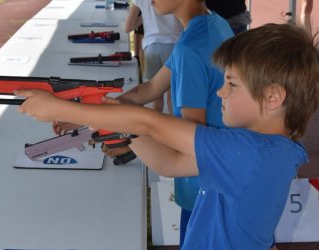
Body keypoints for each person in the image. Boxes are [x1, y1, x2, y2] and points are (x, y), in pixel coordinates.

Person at [16, 23, 319, 249]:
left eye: (231, 84)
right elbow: (171, 163)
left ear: (273, 97)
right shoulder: (262, 152)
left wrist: (67, 109)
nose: (220, 92)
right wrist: (111, 124)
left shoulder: (250, 154)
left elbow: (150, 124)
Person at [124, 0, 182, 112]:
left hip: (152, 49)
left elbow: (128, 27)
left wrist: (145, 16)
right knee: (173, 98)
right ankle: (172, 128)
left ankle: (156, 127)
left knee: (155, 95)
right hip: (175, 47)